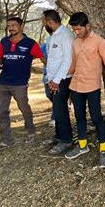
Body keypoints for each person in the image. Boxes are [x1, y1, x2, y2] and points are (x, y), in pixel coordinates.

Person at [65, 12, 105, 168]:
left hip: (92, 87)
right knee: (79, 117)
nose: (76, 32)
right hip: (76, 86)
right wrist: (61, 78)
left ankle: (104, 149)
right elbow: (73, 63)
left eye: (79, 29)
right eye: (74, 30)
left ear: (87, 26)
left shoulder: (100, 42)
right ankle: (82, 145)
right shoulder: (76, 43)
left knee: (97, 118)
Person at [0, 17, 45, 153]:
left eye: (14, 25)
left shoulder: (30, 43)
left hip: (20, 84)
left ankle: (31, 132)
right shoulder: (4, 42)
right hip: (3, 83)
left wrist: (52, 74)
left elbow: (43, 59)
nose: (11, 28)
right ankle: (6, 140)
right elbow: (1, 59)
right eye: (9, 25)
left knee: (24, 108)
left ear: (22, 26)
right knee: (2, 112)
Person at [42, 9, 75, 155]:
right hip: (53, 79)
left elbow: (68, 59)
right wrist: (50, 79)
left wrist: (56, 80)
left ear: (50, 22)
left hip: (62, 79)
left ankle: (66, 139)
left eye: (44, 22)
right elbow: (53, 59)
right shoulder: (54, 36)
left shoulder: (66, 35)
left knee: (61, 109)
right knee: (57, 108)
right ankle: (59, 135)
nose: (43, 25)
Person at [40, 39, 55, 127]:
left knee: (56, 97)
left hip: (57, 75)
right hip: (47, 75)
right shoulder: (45, 46)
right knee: (48, 95)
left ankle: (54, 118)